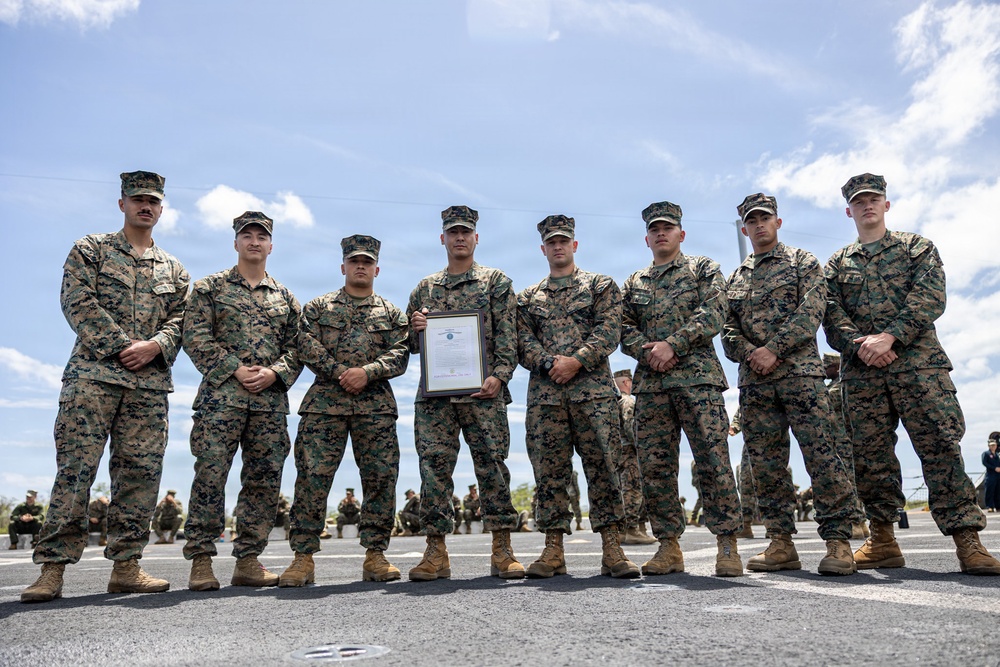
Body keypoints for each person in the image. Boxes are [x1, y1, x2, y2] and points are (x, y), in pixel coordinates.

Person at [22, 171, 188, 604]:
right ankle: (52, 569)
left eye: (152, 200)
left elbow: (180, 320)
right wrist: (121, 347)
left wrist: (155, 345)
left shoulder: (175, 269)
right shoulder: (91, 249)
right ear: (122, 204)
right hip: (93, 378)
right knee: (76, 471)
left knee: (140, 475)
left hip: (148, 386)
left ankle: (127, 566)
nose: (144, 206)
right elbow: (76, 300)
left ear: (162, 208)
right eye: (137, 199)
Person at [823, 173, 1000, 575]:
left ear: (886, 204)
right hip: (862, 373)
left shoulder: (916, 247)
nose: (867, 205)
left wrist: (890, 338)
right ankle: (882, 539)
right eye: (859, 200)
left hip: (919, 366)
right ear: (848, 210)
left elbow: (930, 296)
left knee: (939, 446)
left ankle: (967, 542)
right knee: (869, 457)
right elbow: (830, 316)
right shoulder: (836, 264)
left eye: (874, 198)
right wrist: (861, 345)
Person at [722, 193, 859, 576]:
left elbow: (812, 311)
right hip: (755, 383)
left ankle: (838, 542)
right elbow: (727, 331)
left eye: (765, 218)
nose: (759, 225)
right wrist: (751, 353)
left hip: (801, 377)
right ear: (745, 228)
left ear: (777, 223)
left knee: (822, 457)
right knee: (766, 466)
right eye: (752, 220)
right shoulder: (736, 277)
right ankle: (780, 541)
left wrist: (774, 350)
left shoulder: (803, 262)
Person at [620, 201, 743, 578]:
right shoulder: (634, 282)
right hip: (652, 386)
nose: (661, 233)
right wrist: (649, 350)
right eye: (655, 229)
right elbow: (622, 327)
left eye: (668, 228)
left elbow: (715, 311)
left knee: (713, 461)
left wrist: (673, 344)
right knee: (655, 469)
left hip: (698, 379)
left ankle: (727, 544)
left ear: (681, 234)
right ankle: (668, 546)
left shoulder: (703, 269)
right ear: (646, 238)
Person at [278, 234, 410, 585]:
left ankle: (376, 555)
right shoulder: (319, 308)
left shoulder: (392, 313)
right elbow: (305, 345)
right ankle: (302, 558)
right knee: (311, 480)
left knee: (381, 479)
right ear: (343, 267)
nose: (361, 266)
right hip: (325, 405)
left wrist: (367, 372)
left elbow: (400, 354)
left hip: (375, 407)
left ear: (377, 269)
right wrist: (341, 373)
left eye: (367, 261)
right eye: (355, 261)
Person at [182, 211, 302, 591]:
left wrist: (275, 373)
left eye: (261, 236)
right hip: (221, 400)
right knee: (210, 476)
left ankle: (248, 559)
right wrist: (234, 368)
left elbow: (299, 348)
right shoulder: (210, 288)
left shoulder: (285, 297)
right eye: (246, 235)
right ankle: (201, 560)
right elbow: (194, 335)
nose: (254, 241)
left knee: (264, 480)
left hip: (268, 404)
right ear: (235, 243)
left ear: (271, 245)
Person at [406, 205, 524, 580]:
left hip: (484, 394)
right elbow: (409, 345)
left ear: (475, 238)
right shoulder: (424, 288)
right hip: (435, 399)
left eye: (465, 232)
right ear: (443, 238)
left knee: (492, 468)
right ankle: (435, 551)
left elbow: (510, 337)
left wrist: (500, 377)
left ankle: (503, 549)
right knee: (433, 472)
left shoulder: (496, 283)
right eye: (453, 232)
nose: (459, 238)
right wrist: (416, 327)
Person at [517, 214, 639, 579]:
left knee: (604, 467)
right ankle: (553, 549)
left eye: (563, 240)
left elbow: (609, 330)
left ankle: (612, 548)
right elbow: (522, 342)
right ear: (543, 249)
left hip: (594, 396)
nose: (558, 246)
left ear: (574, 245)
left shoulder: (601, 286)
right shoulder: (527, 298)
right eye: (551, 242)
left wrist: (576, 361)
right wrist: (549, 362)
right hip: (546, 396)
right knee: (550, 473)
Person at [823, 352, 868, 538]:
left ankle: (855, 522)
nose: (824, 371)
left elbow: (822, 399)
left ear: (837, 366)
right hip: (840, 441)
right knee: (850, 480)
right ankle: (861, 522)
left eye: (827, 367)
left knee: (847, 481)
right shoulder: (834, 385)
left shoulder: (839, 386)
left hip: (843, 442)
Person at [613, 369, 656, 545]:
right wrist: (642, 446)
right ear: (626, 383)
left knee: (624, 489)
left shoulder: (611, 402)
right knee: (633, 489)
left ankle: (624, 530)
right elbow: (631, 427)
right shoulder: (628, 401)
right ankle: (632, 530)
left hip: (617, 452)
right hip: (631, 451)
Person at [981, 433, 1000, 512]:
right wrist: (994, 468)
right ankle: (990, 506)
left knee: (998, 491)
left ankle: (998, 506)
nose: (993, 447)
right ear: (989, 446)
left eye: (994, 445)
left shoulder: (997, 455)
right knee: (990, 491)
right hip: (990, 475)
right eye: (991, 445)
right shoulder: (986, 454)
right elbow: (985, 463)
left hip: (998, 476)